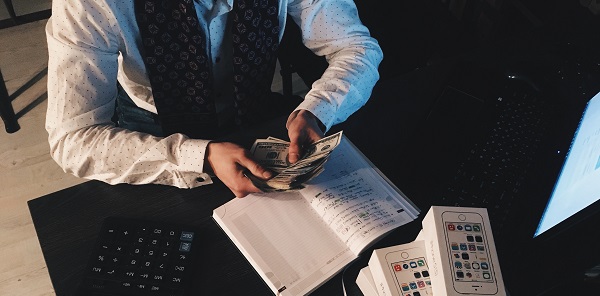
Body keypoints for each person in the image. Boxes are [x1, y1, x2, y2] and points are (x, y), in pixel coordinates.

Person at [45, 0, 383, 197]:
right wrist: (199, 156)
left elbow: (356, 48)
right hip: (154, 131)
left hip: (257, 110)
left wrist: (318, 109)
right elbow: (72, 139)